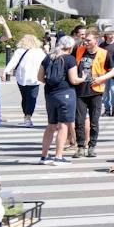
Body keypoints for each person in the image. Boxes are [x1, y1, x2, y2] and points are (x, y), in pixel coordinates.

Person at [40, 36, 77, 166]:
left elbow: (40, 77)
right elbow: (73, 80)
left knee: (50, 126)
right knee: (63, 125)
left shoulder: (48, 57)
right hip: (65, 93)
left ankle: (44, 156)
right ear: (71, 47)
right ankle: (58, 156)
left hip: (50, 94)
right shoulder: (70, 59)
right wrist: (82, 79)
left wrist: (50, 83)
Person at [2, 34, 45, 129]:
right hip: (35, 78)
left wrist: (5, 72)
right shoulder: (39, 52)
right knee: (31, 98)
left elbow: (12, 62)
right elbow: (45, 63)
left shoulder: (20, 51)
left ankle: (27, 115)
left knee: (25, 98)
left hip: (22, 78)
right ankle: (28, 116)